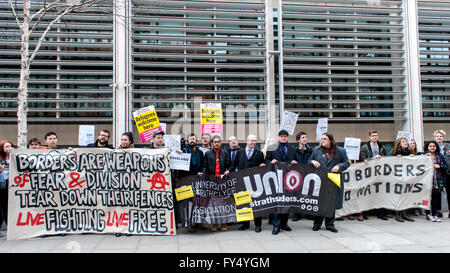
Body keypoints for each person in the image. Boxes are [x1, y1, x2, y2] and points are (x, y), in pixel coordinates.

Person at [308, 132, 350, 233]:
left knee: (331, 202)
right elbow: (308, 160)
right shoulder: (316, 150)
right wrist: (312, 162)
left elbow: (347, 163)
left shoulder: (340, 151)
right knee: (319, 202)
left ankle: (330, 224)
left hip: (333, 179)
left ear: (330, 140)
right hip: (320, 178)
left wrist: (339, 167)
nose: (322, 140)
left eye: (325, 139)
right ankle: (317, 223)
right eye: (321, 139)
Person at [265, 129, 298, 235]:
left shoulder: (293, 149)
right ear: (279, 137)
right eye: (282, 136)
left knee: (287, 202)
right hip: (276, 179)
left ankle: (284, 223)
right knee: (278, 203)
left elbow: (298, 162)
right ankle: (276, 225)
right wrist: (271, 162)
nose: (284, 138)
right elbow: (266, 161)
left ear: (287, 137)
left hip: (289, 180)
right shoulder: (272, 148)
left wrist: (295, 162)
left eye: (285, 136)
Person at [232, 134, 266, 232]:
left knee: (256, 203)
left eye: (255, 141)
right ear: (247, 141)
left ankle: (258, 225)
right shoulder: (239, 152)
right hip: (242, 182)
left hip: (255, 182)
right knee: (244, 203)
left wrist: (263, 165)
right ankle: (245, 224)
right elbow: (234, 165)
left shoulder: (259, 153)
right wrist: (228, 171)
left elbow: (263, 165)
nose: (253, 143)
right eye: (251, 141)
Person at [199, 135, 231, 231]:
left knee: (223, 203)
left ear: (220, 143)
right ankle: (215, 223)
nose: (217, 143)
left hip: (222, 181)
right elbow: (205, 166)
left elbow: (229, 165)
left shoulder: (225, 153)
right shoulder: (208, 154)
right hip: (212, 182)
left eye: (218, 142)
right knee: (213, 204)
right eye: (215, 142)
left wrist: (228, 170)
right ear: (212, 143)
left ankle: (224, 223)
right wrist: (203, 173)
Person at [359, 130, 389, 221]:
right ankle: (366, 212)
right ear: (369, 137)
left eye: (376, 135)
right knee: (367, 193)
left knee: (380, 193)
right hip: (369, 173)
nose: (374, 137)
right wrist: (373, 158)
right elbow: (363, 160)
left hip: (379, 173)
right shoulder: (364, 147)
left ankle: (381, 212)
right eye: (373, 135)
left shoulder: (382, 147)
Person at [181, 134, 206, 233]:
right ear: (187, 141)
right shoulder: (184, 151)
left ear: (196, 140)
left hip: (198, 179)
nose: (192, 140)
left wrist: (202, 171)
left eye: (194, 139)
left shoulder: (200, 152)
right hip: (188, 179)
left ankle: (198, 222)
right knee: (189, 203)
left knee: (198, 202)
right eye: (190, 139)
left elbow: (204, 164)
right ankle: (189, 224)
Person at [389, 137, 415, 222]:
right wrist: (395, 158)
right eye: (403, 142)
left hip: (408, 177)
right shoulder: (394, 152)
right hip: (398, 177)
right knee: (399, 195)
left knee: (406, 195)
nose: (405, 143)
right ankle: (398, 213)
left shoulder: (410, 151)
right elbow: (388, 160)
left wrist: (413, 157)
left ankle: (405, 213)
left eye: (406, 141)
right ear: (399, 144)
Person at [423, 141, 448, 222]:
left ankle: (435, 214)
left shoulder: (440, 156)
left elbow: (446, 166)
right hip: (427, 180)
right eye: (430, 146)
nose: (432, 147)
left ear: (436, 147)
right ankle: (428, 214)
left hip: (437, 179)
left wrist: (439, 166)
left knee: (436, 198)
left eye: (434, 146)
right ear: (427, 147)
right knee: (427, 197)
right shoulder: (423, 155)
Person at [292, 131, 313, 222]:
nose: (305, 139)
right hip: (298, 175)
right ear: (298, 140)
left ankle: (308, 213)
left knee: (308, 194)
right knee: (298, 194)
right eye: (303, 137)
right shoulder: (294, 151)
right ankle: (297, 213)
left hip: (308, 174)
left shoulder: (310, 150)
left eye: (305, 137)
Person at [0, 140, 16, 237]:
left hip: (12, 184)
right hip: (2, 184)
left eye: (10, 146)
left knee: (8, 207)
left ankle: (11, 229)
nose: (9, 148)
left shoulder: (15, 157)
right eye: (6, 146)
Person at [433, 130, 450, 218]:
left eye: (441, 136)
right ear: (435, 137)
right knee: (438, 192)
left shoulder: (448, 146)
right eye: (437, 136)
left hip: (448, 172)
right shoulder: (433, 147)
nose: (439, 138)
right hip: (438, 174)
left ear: (443, 137)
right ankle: (438, 211)